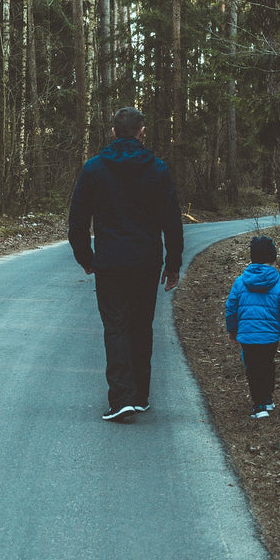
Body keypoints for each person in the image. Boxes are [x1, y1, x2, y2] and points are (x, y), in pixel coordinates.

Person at [68, 107, 184, 421]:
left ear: (113, 132)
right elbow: (172, 221)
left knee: (116, 327)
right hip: (146, 262)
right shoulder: (158, 169)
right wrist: (173, 264)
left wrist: (86, 258)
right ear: (141, 132)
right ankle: (139, 396)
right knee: (140, 327)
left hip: (110, 262)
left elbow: (77, 220)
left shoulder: (94, 169)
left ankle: (122, 399)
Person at [225, 235, 280, 419]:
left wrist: (232, 330)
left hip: (248, 336)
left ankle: (259, 405)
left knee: (253, 368)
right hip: (270, 336)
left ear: (252, 258)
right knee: (267, 365)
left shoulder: (240, 282)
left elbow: (231, 307)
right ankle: (267, 398)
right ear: (273, 258)